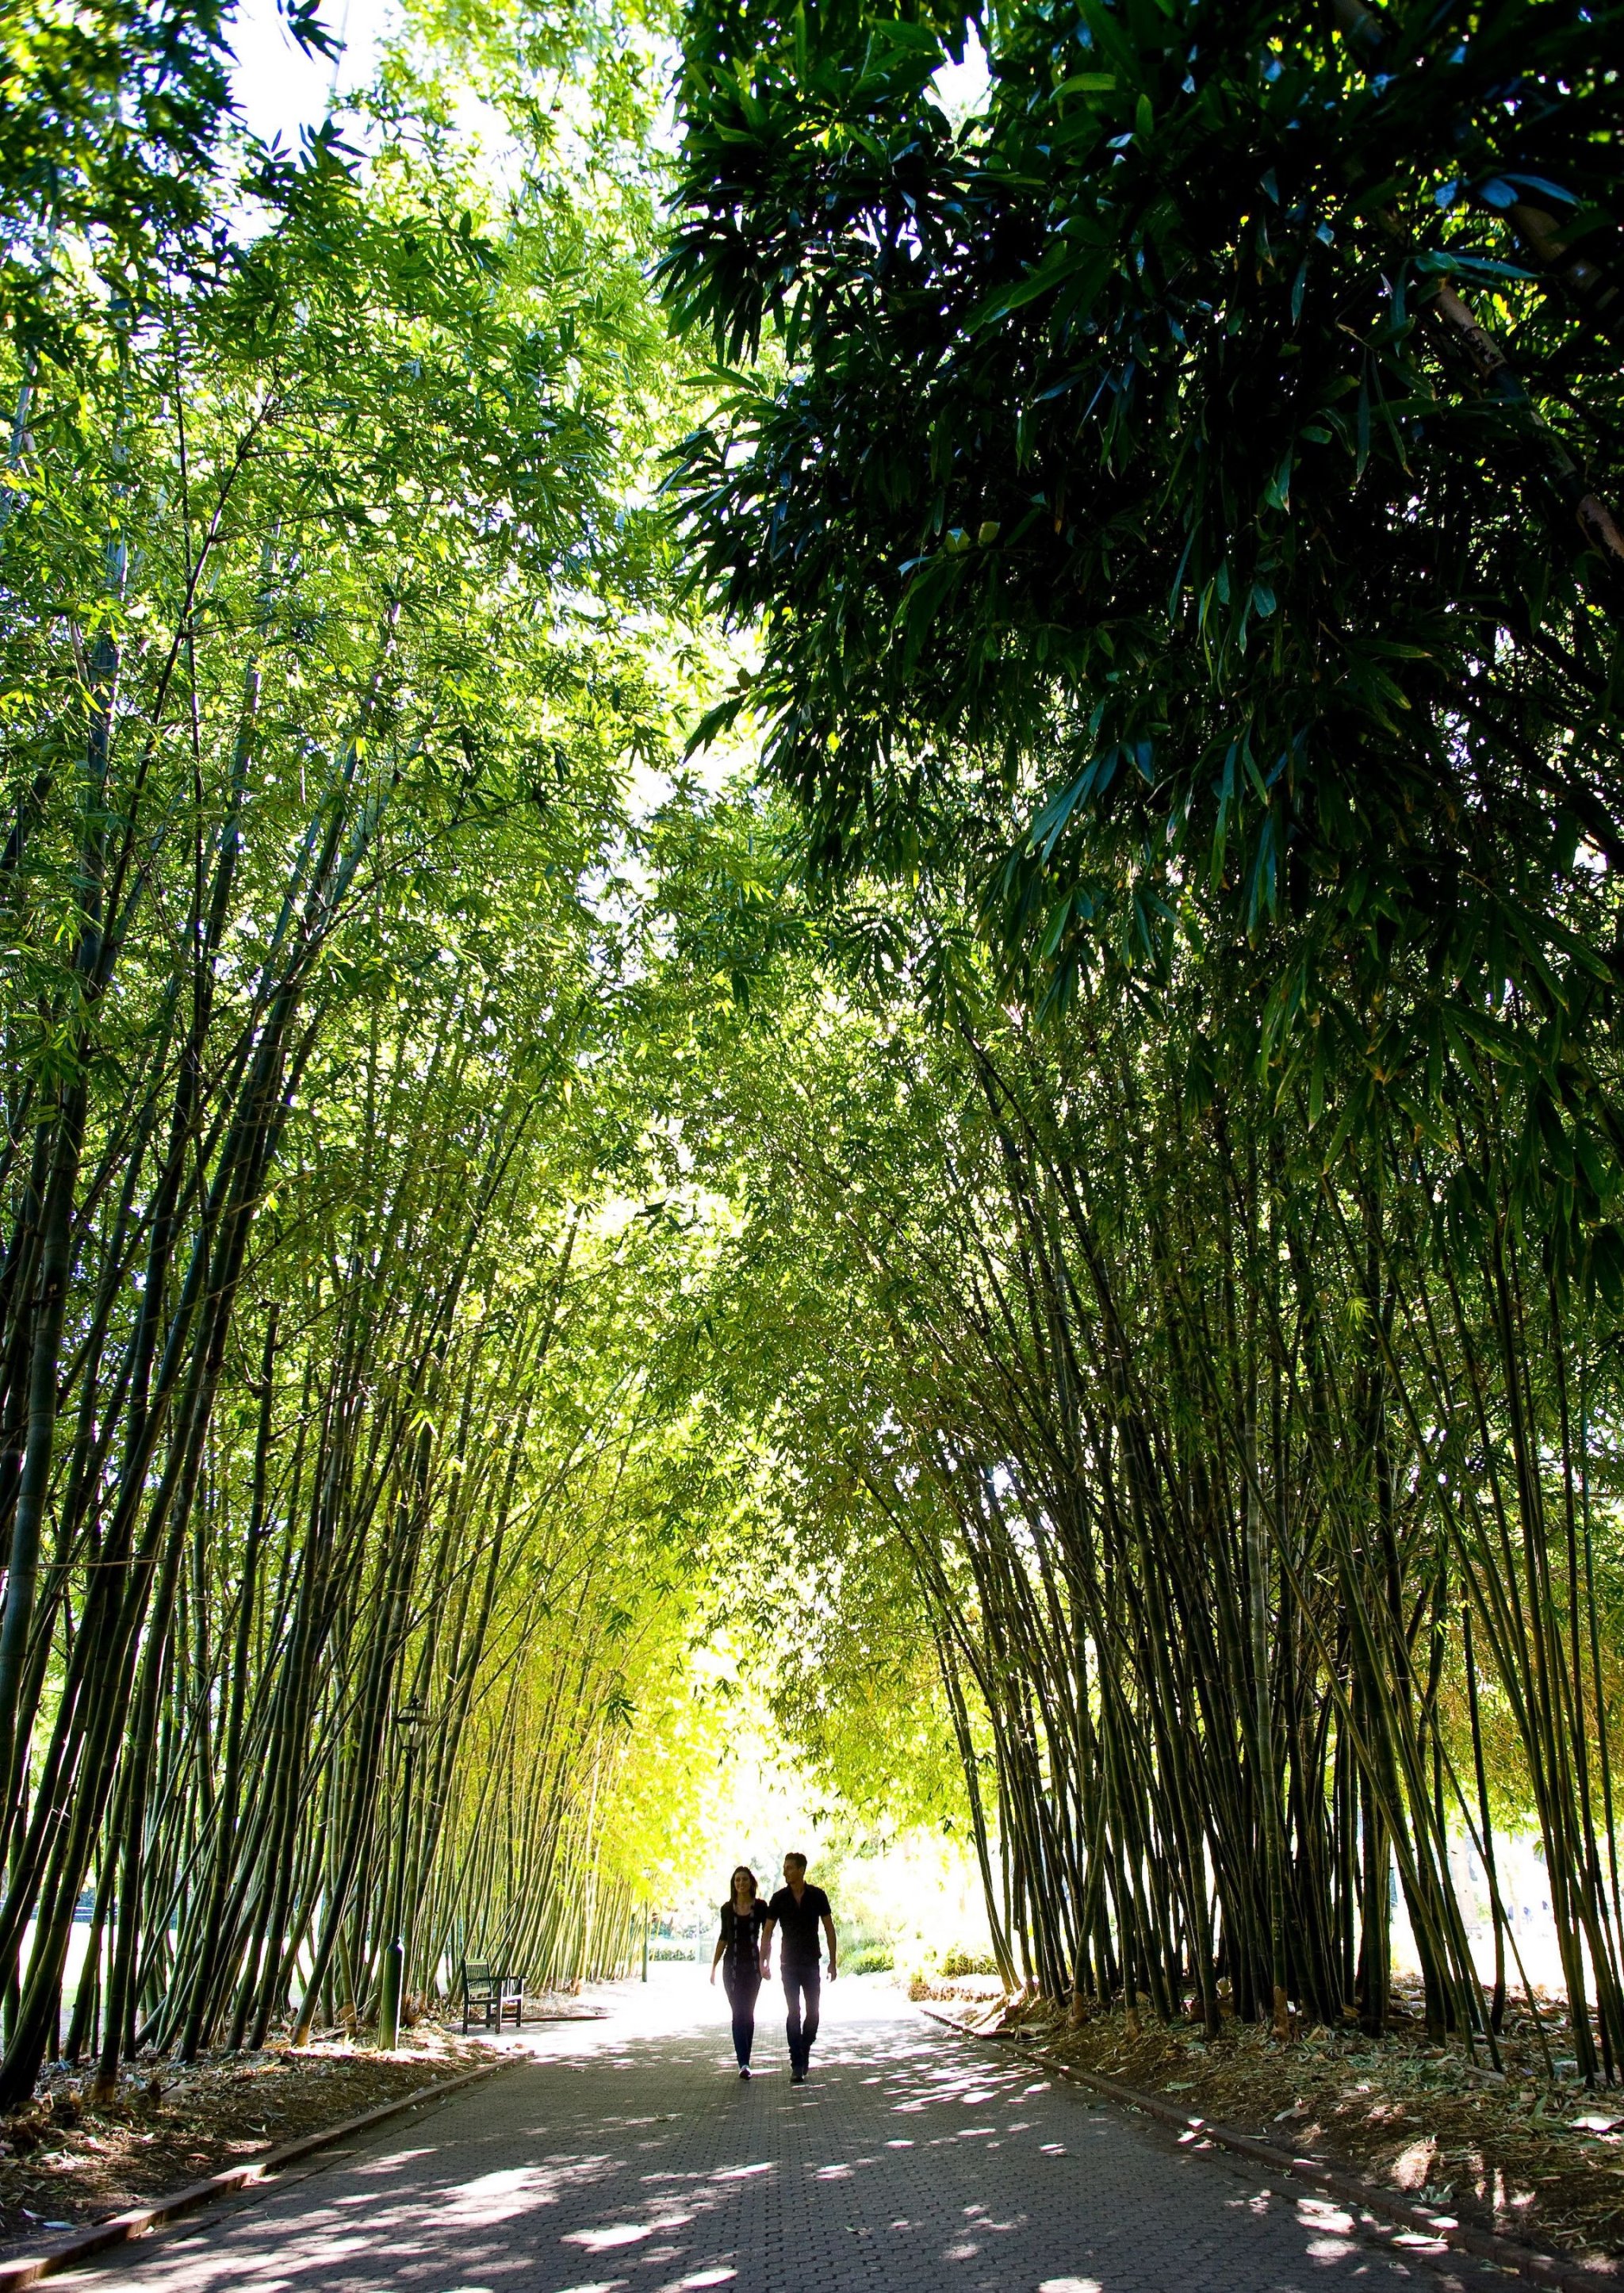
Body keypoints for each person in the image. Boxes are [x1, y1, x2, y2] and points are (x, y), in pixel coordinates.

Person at [760, 1851, 836, 2083]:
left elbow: (829, 1928)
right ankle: (797, 2063)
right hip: (789, 1964)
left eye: (790, 1868)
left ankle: (804, 2048)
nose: (785, 1872)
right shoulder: (779, 1898)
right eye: (785, 1868)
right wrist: (763, 1961)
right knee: (794, 2012)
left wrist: (833, 1962)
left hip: (811, 1963)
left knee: (813, 2013)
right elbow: (768, 1931)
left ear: (801, 1870)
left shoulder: (817, 1896)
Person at [710, 1865, 767, 2077]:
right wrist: (714, 1967)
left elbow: (767, 1935)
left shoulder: (761, 1907)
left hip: (753, 1967)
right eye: (737, 1880)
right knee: (738, 2013)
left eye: (744, 1879)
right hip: (731, 1967)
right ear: (733, 1884)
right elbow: (723, 1937)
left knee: (748, 2013)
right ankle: (743, 2063)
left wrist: (766, 1962)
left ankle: (746, 2060)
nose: (741, 1883)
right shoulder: (727, 1909)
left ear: (751, 1882)